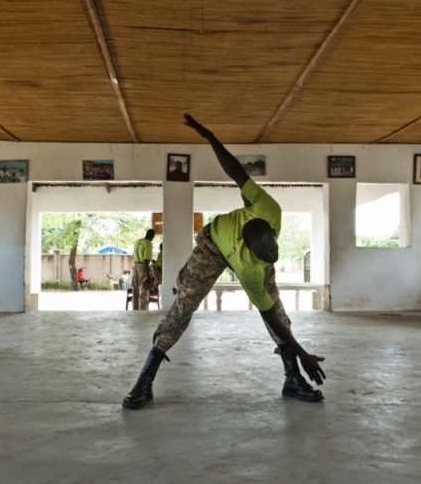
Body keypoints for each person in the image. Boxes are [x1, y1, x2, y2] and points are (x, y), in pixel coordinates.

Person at [122, 114, 326, 410]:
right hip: (211, 245)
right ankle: (145, 381)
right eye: (265, 257)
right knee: (184, 306)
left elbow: (235, 171)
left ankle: (292, 379)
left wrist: (210, 136)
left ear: (272, 231)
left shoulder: (269, 210)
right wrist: (304, 351)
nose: (272, 259)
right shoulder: (248, 267)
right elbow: (264, 311)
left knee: (276, 307)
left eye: (274, 251)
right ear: (250, 252)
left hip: (241, 245)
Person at [130, 229, 156, 310]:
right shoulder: (148, 243)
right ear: (152, 236)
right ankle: (143, 311)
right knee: (144, 290)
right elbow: (146, 260)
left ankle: (135, 309)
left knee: (135, 289)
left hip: (135, 266)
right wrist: (148, 275)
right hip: (143, 267)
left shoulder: (137, 241)